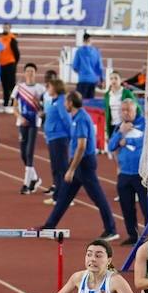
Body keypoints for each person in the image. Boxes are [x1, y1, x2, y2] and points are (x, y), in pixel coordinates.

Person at [39, 91, 118, 236]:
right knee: (64, 196)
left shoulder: (81, 119)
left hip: (84, 164)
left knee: (98, 198)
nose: (64, 105)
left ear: (70, 103)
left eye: (65, 102)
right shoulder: (76, 117)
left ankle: (111, 229)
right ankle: (49, 225)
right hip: (78, 163)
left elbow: (82, 146)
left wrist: (71, 169)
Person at [106, 97, 148, 245]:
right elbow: (111, 146)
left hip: (141, 174)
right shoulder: (120, 127)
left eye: (128, 110)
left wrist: (128, 141)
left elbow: (146, 142)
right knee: (126, 207)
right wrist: (120, 133)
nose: (125, 113)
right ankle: (133, 235)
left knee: (146, 206)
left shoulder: (145, 124)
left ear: (135, 110)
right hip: (124, 174)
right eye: (123, 110)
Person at [14, 62, 44, 194]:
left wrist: (40, 111)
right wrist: (20, 117)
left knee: (29, 152)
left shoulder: (40, 89)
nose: (30, 73)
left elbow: (44, 107)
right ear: (24, 73)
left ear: (35, 73)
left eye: (32, 71)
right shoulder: (19, 87)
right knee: (23, 154)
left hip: (34, 123)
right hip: (22, 123)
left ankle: (26, 184)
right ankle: (35, 178)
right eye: (28, 71)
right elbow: (14, 107)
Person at [41, 77, 70, 202]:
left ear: (56, 88)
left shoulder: (61, 102)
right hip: (52, 138)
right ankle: (57, 196)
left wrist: (70, 136)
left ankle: (65, 197)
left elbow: (66, 120)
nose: (48, 88)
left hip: (59, 138)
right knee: (56, 168)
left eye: (50, 86)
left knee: (61, 168)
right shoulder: (54, 101)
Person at [72, 32, 104, 99]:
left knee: (80, 101)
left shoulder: (79, 51)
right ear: (90, 40)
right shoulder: (96, 51)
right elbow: (100, 67)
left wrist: (81, 73)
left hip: (82, 80)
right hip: (93, 81)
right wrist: (102, 79)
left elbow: (75, 66)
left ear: (83, 40)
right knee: (90, 102)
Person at [0, 23, 20, 108]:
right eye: (4, 27)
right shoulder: (1, 39)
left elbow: (17, 53)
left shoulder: (12, 39)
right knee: (4, 84)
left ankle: (14, 102)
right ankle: (6, 102)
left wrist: (14, 63)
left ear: (10, 28)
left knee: (11, 84)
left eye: (7, 27)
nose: (5, 29)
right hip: (2, 64)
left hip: (10, 64)